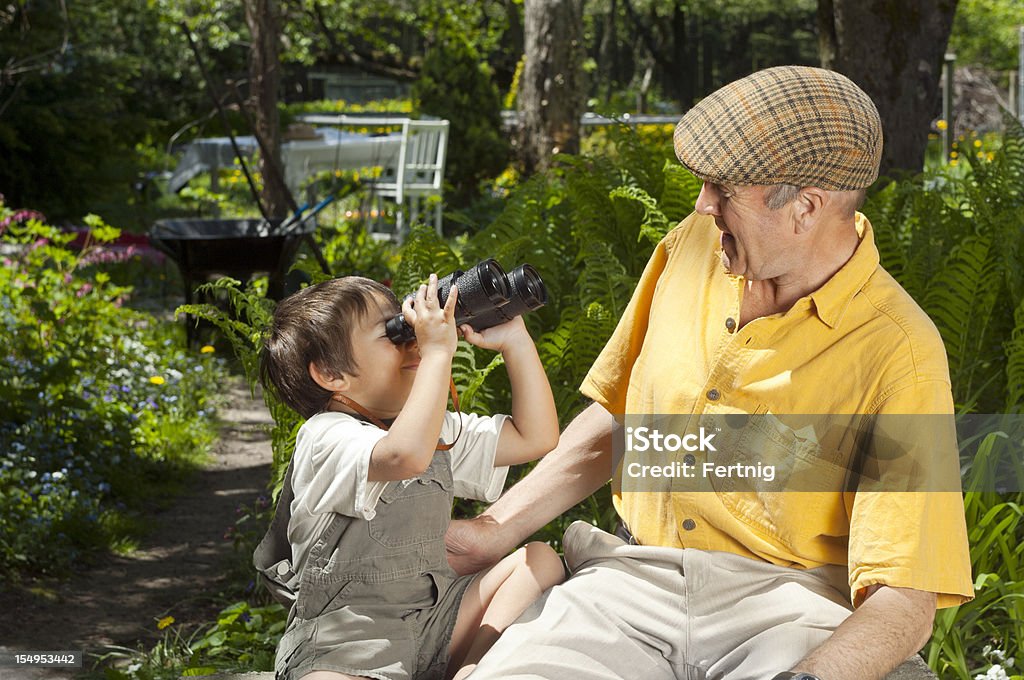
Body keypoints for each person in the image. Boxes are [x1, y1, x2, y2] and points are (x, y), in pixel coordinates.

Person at [445, 66, 974, 680]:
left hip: (790, 610)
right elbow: (621, 418)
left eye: (724, 188)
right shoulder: (691, 247)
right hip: (628, 584)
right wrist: (493, 529)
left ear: (806, 206)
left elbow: (905, 599)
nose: (704, 204)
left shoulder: (899, 351)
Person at [253, 274, 565, 680]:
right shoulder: (325, 435)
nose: (413, 339)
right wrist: (437, 353)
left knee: (538, 559)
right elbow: (403, 455)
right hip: (348, 644)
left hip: (435, 620)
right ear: (331, 375)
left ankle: (472, 668)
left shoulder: (432, 429)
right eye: (394, 333)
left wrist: (515, 340)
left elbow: (535, 437)